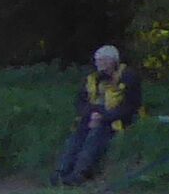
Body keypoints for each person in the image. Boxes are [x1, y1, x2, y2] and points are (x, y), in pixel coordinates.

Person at [56, 45, 146, 184]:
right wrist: (92, 115)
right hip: (95, 116)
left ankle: (80, 173)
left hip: (120, 120)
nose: (100, 65)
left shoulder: (128, 77)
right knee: (78, 133)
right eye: (98, 61)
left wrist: (104, 116)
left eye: (104, 61)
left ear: (114, 61)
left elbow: (130, 105)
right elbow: (81, 102)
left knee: (97, 134)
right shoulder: (92, 79)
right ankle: (62, 171)